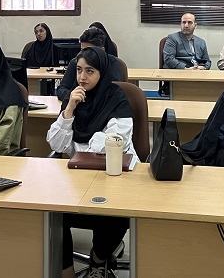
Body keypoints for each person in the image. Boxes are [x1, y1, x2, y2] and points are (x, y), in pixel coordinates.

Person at [47, 47, 137, 278]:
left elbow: (113, 143)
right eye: (78, 70)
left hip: (113, 180)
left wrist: (83, 145)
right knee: (51, 212)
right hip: (77, 180)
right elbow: (56, 144)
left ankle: (98, 260)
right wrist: (69, 109)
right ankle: (66, 271)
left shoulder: (116, 99)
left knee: (115, 215)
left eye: (89, 71)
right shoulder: (75, 99)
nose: (82, 77)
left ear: (102, 72)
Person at [55, 27, 123, 101]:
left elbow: (115, 91)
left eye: (91, 51)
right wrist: (73, 96)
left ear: (102, 50)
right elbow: (61, 89)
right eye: (82, 50)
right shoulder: (76, 62)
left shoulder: (113, 63)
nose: (85, 55)